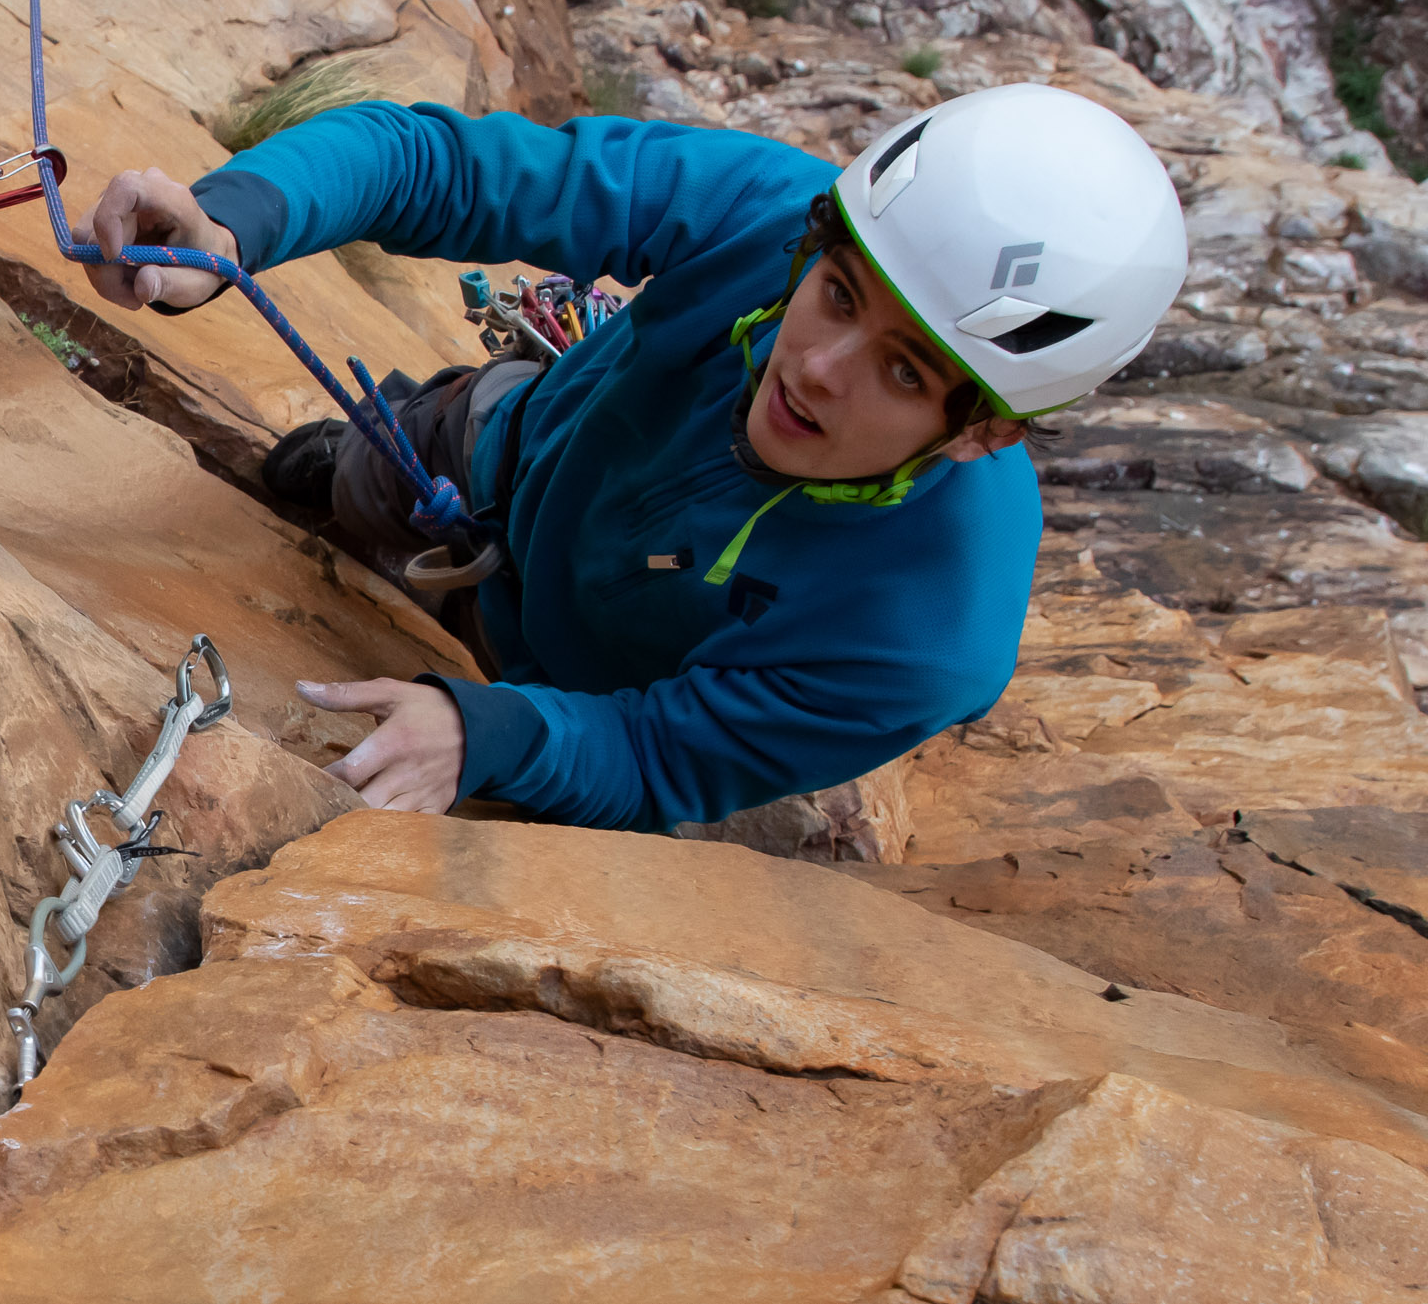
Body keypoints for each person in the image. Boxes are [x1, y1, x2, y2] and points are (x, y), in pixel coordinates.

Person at [83, 86, 1187, 831]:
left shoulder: (931, 634)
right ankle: (340, 463)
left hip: (579, 686)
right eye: (836, 296)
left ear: (984, 428)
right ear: (821, 246)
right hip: (482, 458)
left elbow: (664, 755)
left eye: (901, 372)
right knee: (344, 475)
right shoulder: (767, 216)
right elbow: (452, 167)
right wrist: (234, 221)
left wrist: (495, 732)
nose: (817, 368)